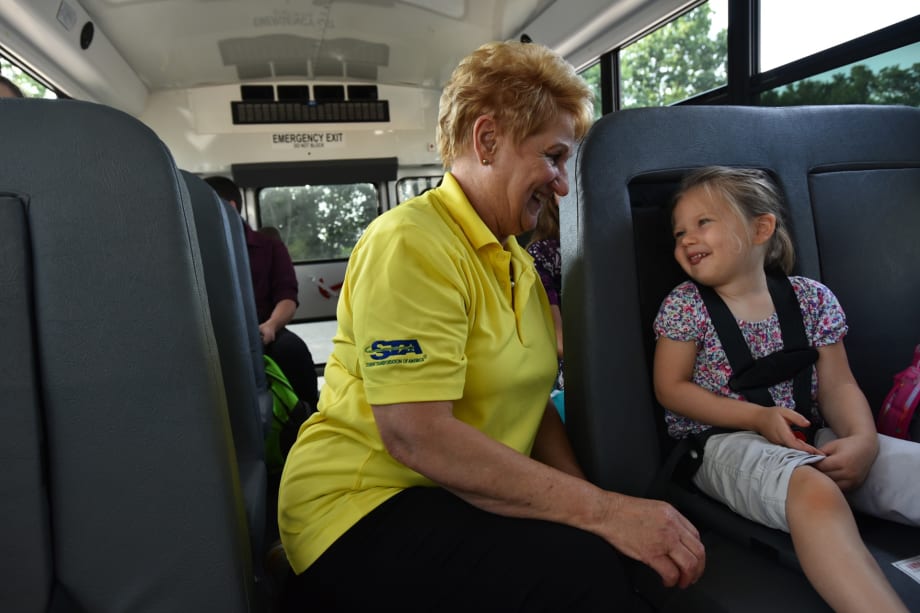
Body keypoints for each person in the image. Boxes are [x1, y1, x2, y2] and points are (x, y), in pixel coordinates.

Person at [278, 41, 704, 613]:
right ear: (487, 141)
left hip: (452, 495)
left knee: (602, 559)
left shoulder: (516, 262)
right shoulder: (410, 242)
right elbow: (415, 433)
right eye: (552, 157)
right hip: (360, 505)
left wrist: (597, 508)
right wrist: (605, 515)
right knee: (583, 578)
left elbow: (531, 411)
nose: (561, 185)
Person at [653, 166, 920, 613]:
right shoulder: (686, 306)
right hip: (724, 443)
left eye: (703, 222)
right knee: (813, 490)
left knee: (910, 467)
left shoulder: (812, 299)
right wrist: (756, 417)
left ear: (761, 228)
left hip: (808, 435)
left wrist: (863, 441)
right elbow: (671, 389)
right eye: (679, 231)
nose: (686, 239)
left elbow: (839, 384)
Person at [203, 175, 319, 409]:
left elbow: (287, 297)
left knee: (292, 351)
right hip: (214, 338)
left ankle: (307, 420)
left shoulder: (270, 248)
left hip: (264, 330)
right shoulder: (194, 252)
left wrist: (271, 326)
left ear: (230, 207)